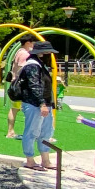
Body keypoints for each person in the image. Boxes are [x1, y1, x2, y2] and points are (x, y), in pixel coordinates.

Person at [18, 41, 58, 171]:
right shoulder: (32, 66)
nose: (49, 55)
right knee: (32, 131)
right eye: (47, 53)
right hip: (34, 103)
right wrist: (41, 103)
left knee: (46, 131)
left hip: (45, 102)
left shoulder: (41, 65)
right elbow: (34, 85)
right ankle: (30, 159)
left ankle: (45, 159)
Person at [4, 37, 35, 139]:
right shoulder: (24, 54)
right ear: (27, 43)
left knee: (14, 108)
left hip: (16, 84)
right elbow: (23, 69)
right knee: (27, 109)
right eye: (32, 43)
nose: (34, 45)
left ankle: (10, 131)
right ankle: (25, 132)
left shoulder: (18, 52)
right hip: (21, 85)